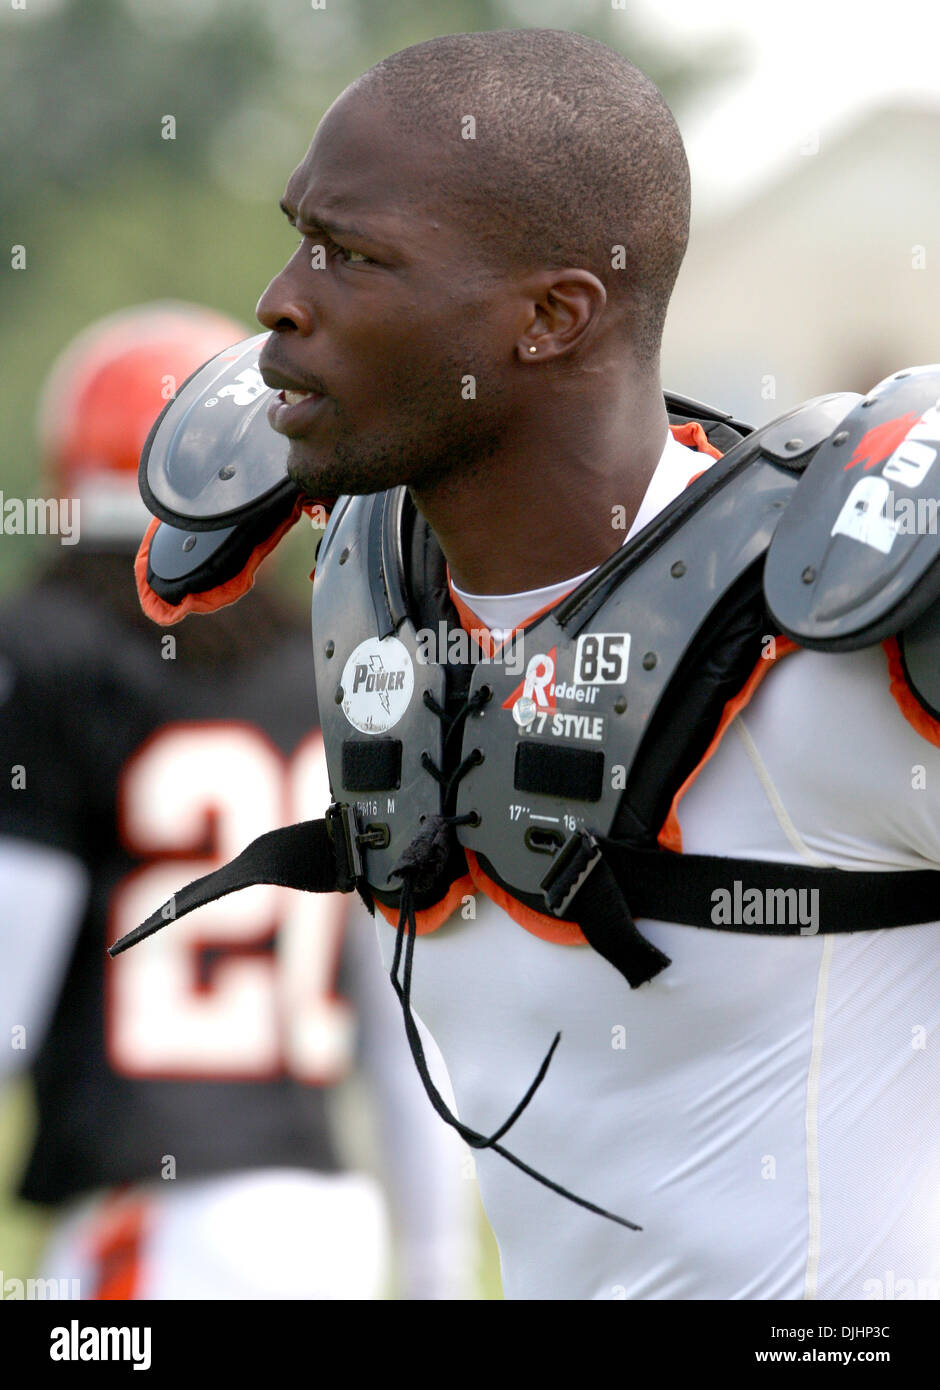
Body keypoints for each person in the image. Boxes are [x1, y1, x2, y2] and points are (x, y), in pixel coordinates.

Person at [130, 31, 939, 1301]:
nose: (279, 297)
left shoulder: (840, 647)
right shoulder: (375, 595)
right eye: (298, 237)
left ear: (554, 315)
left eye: (352, 255)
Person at [0, 303, 472, 1301]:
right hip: (325, 1224)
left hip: (155, 1218)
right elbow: (404, 1021)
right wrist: (434, 1261)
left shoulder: (44, 656)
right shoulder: (340, 662)